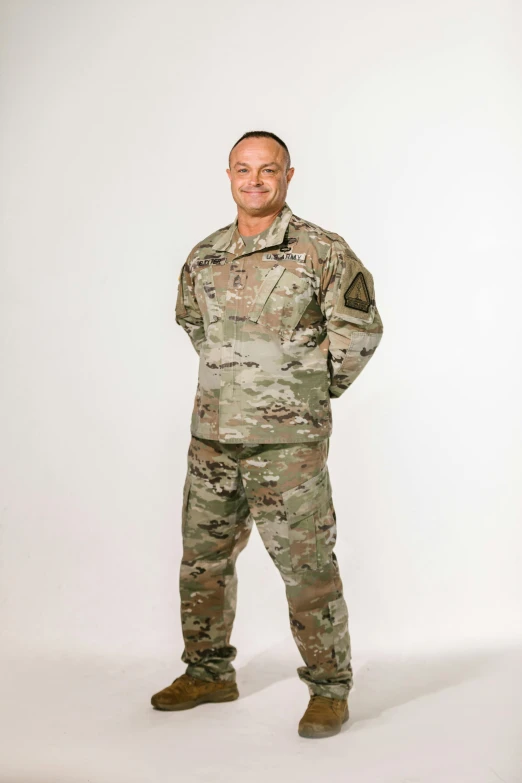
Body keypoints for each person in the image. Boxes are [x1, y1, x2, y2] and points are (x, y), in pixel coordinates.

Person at [151, 130, 384, 739]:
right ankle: (208, 672)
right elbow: (193, 325)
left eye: (268, 170)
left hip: (288, 447)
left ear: (288, 175)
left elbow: (359, 329)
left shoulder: (320, 250)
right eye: (243, 169)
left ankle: (330, 689)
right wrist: (238, 385)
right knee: (202, 563)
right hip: (212, 438)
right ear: (228, 174)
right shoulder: (204, 255)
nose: (255, 181)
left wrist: (303, 393)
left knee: (307, 568)